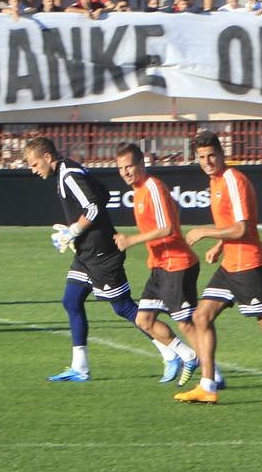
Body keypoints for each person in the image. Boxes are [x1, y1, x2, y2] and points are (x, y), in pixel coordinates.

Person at [22, 137, 185, 383]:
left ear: (47, 157)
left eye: (34, 164)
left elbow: (94, 207)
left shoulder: (68, 175)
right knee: (71, 300)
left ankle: (171, 351)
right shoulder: (70, 169)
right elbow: (104, 194)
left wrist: (74, 230)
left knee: (124, 307)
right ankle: (80, 367)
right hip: (86, 253)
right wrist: (77, 235)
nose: (33, 170)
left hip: (101, 253)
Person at [174, 131, 262, 407]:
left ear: (221, 155)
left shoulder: (233, 180)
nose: (208, 161)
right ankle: (208, 386)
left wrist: (205, 233)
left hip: (249, 265)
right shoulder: (216, 182)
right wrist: (220, 246)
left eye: (212, 155)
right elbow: (232, 227)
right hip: (230, 263)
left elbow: (243, 227)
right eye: (202, 157)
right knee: (201, 316)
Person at [111, 144, 203, 386]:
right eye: (121, 168)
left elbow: (167, 228)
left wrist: (131, 240)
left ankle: (212, 375)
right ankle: (188, 355)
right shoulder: (139, 191)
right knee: (144, 321)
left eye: (129, 165)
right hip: (160, 265)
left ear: (142, 164)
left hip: (177, 263)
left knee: (185, 323)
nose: (125, 172)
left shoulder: (152, 187)